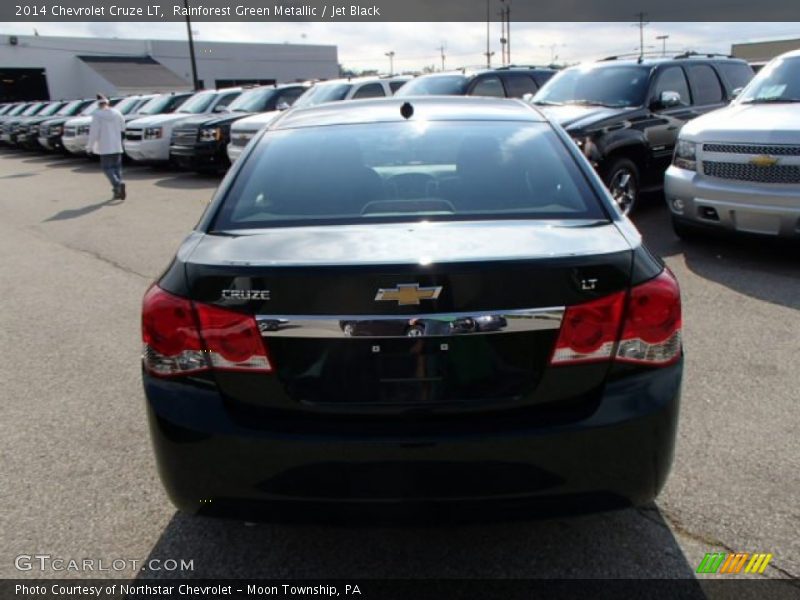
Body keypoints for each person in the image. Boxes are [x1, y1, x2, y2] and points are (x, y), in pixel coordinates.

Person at [86, 94, 127, 200]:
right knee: (117, 168)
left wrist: (89, 147)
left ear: (98, 104)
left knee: (107, 168)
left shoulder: (97, 115)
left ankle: (118, 184)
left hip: (104, 146)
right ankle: (117, 191)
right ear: (107, 102)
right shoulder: (117, 113)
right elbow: (123, 127)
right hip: (116, 145)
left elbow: (94, 133)